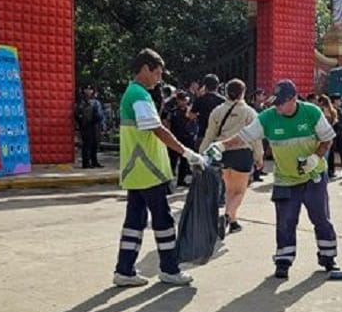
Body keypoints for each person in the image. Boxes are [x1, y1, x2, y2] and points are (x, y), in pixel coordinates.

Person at [206, 80, 341, 280]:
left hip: (313, 176)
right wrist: (222, 146)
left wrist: (315, 158)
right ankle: (283, 261)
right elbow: (244, 136)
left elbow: (327, 138)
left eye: (281, 102)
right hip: (285, 179)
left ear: (293, 99)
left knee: (321, 218)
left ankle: (328, 258)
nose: (276, 106)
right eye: (275, 102)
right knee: (285, 222)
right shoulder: (268, 117)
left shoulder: (312, 112)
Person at [113, 48, 206, 288]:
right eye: (157, 73)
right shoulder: (140, 95)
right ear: (145, 69)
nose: (159, 78)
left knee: (135, 220)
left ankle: (124, 269)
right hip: (148, 169)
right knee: (163, 219)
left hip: (135, 171)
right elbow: (157, 130)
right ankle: (169, 269)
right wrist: (187, 153)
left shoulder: (131, 93)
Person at [198, 78, 264, 233]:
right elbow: (255, 137)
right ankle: (227, 216)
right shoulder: (249, 112)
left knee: (229, 190)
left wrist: (201, 154)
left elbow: (209, 135)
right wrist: (258, 156)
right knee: (240, 191)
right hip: (242, 153)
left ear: (226, 92)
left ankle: (233, 222)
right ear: (243, 92)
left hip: (222, 154)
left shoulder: (217, 111)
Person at [75, 83, 104, 168]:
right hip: (86, 125)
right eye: (87, 89)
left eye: (90, 89)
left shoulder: (95, 101)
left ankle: (94, 161)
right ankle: (86, 163)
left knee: (95, 144)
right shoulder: (82, 101)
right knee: (87, 144)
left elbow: (100, 113)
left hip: (95, 124)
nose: (89, 91)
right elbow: (78, 113)